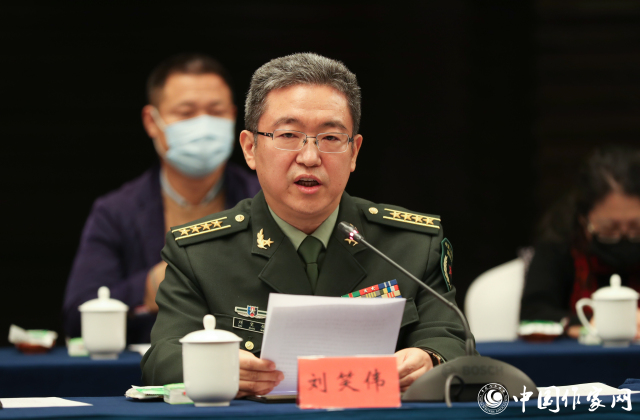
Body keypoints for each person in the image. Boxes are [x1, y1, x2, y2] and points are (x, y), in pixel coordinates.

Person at [141, 53, 469, 396]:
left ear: (354, 152)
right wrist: (214, 367)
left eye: (330, 138)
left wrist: (429, 359)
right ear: (250, 148)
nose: (310, 158)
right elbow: (161, 359)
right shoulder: (199, 253)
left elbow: (452, 341)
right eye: (288, 135)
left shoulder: (411, 245)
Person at [63, 53, 261, 343]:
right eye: (186, 113)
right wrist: (148, 287)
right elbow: (76, 315)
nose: (203, 125)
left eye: (216, 111)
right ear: (151, 121)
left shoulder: (265, 199)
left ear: (233, 116)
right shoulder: (116, 211)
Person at [520, 146, 640, 338]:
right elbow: (534, 315)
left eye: (636, 227)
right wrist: (595, 324)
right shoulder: (558, 243)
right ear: (584, 220)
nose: (623, 237)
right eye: (610, 229)